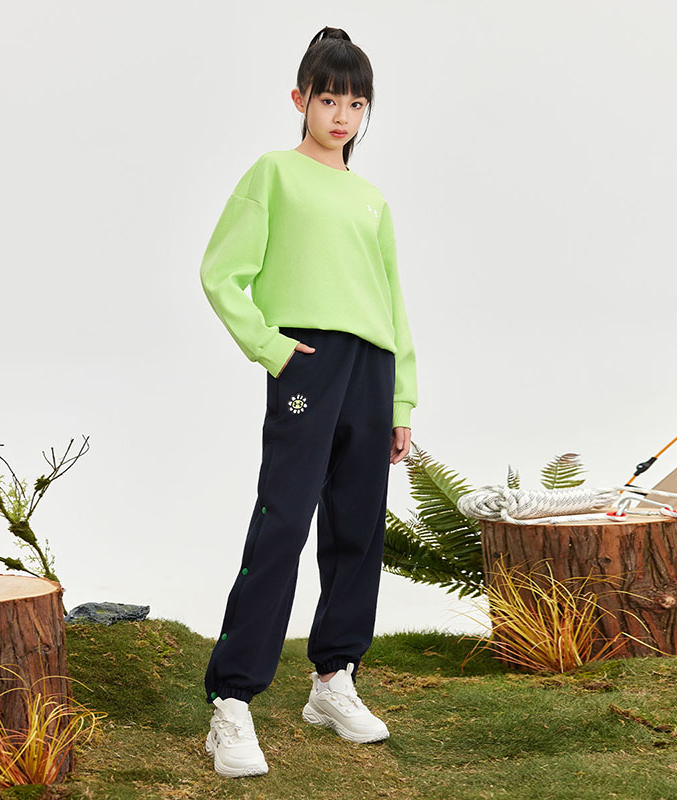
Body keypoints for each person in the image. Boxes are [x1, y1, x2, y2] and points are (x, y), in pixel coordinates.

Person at [198, 26, 418, 778]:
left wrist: (402, 399)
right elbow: (221, 272)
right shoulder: (274, 174)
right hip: (307, 361)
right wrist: (272, 347)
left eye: (356, 104)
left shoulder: (371, 200)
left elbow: (393, 302)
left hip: (371, 367)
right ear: (301, 100)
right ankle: (232, 700)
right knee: (285, 520)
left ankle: (333, 678)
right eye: (329, 100)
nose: (342, 116)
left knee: (357, 527)